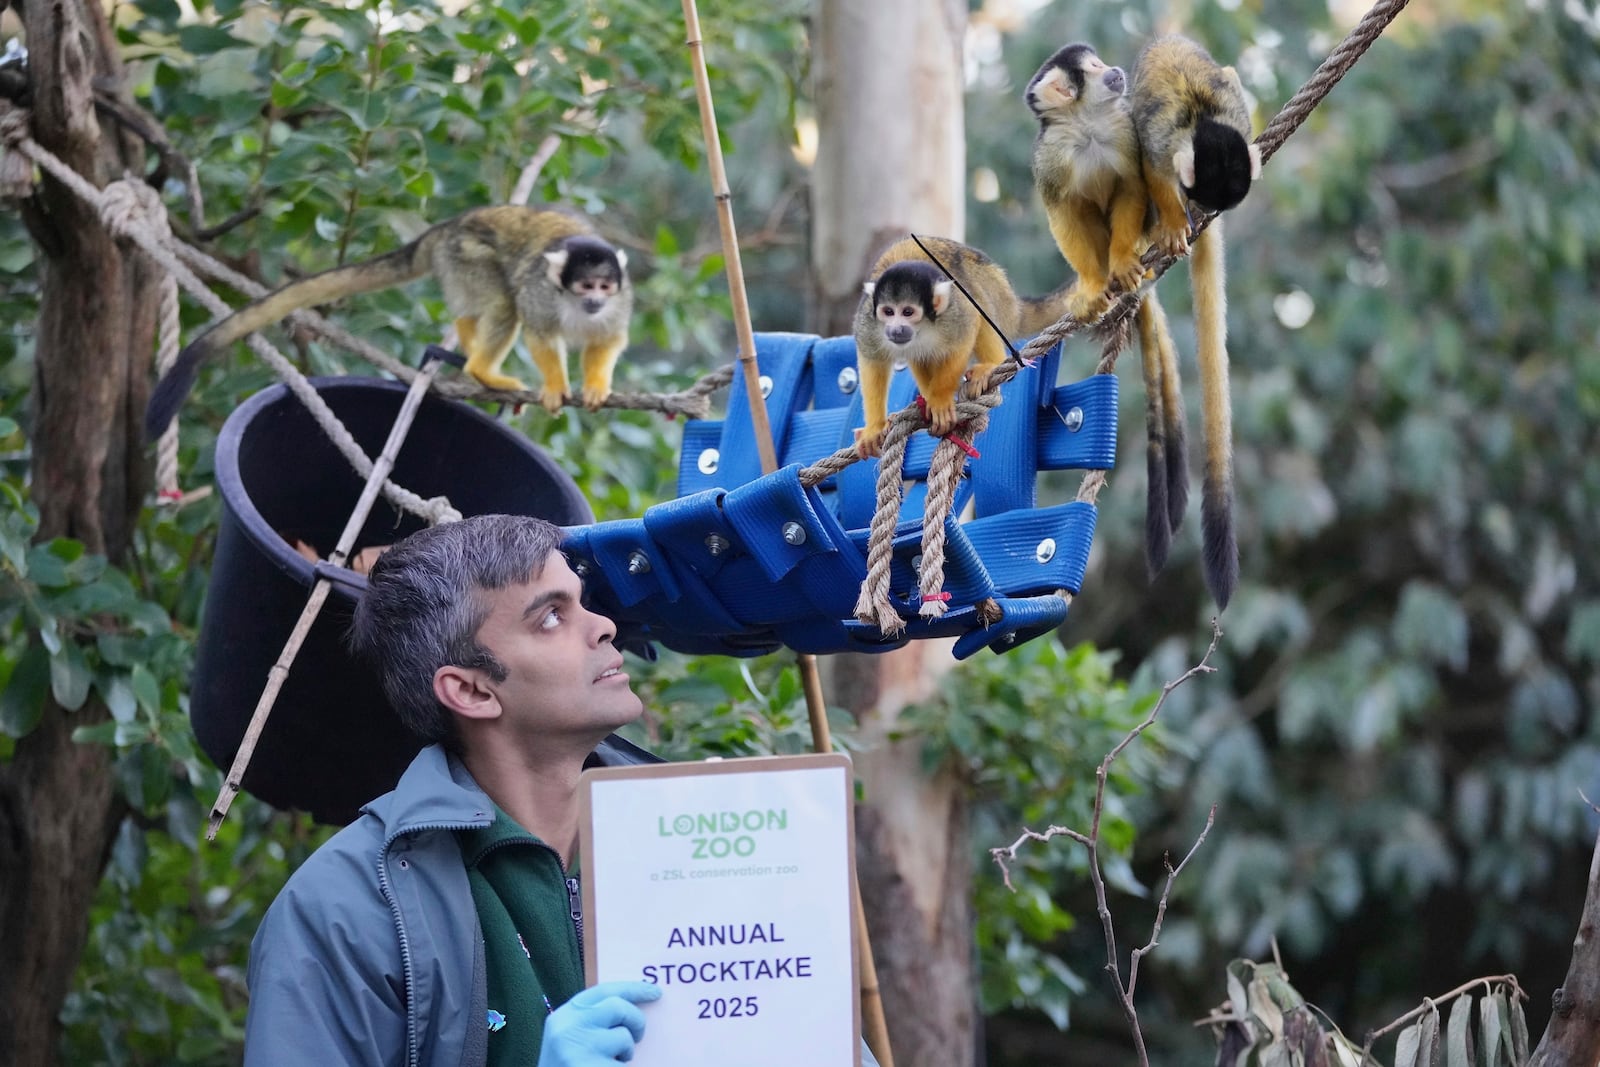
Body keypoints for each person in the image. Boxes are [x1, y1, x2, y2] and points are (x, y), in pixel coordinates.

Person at [241, 514, 879, 1066]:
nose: (603, 626)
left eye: (583, 601)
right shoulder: (343, 912)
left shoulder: (708, 840)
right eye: (551, 617)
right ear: (470, 690)